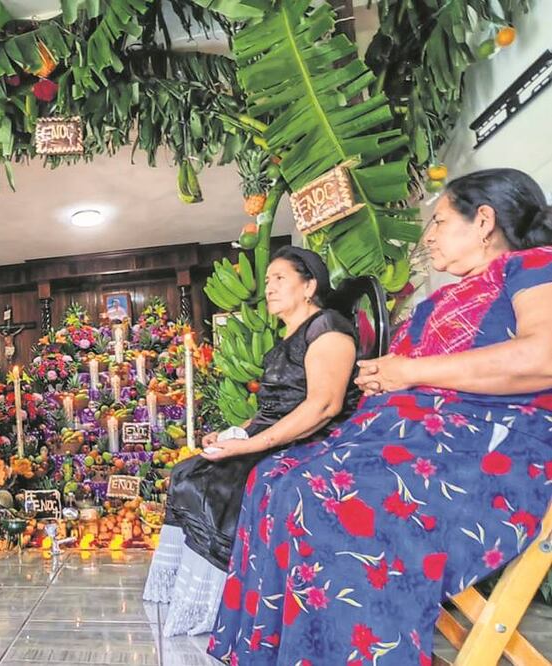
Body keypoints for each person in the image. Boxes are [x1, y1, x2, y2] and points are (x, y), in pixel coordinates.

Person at [207, 168, 552, 664]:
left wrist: (409, 372)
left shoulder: (533, 267)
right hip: (420, 443)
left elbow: (541, 356)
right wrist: (384, 377)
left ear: (483, 221)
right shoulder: (443, 298)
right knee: (271, 480)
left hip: (484, 455)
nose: (428, 235)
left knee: (321, 495)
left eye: (437, 222)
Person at [144, 246, 359, 637]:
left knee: (216, 483)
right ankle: (199, 596)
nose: (269, 288)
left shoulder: (328, 328)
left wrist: (249, 447)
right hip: (276, 434)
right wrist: (235, 432)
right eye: (267, 281)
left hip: (314, 441)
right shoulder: (288, 337)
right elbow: (272, 407)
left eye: (280, 278)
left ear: (309, 285)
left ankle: (228, 604)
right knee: (186, 472)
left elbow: (323, 407)